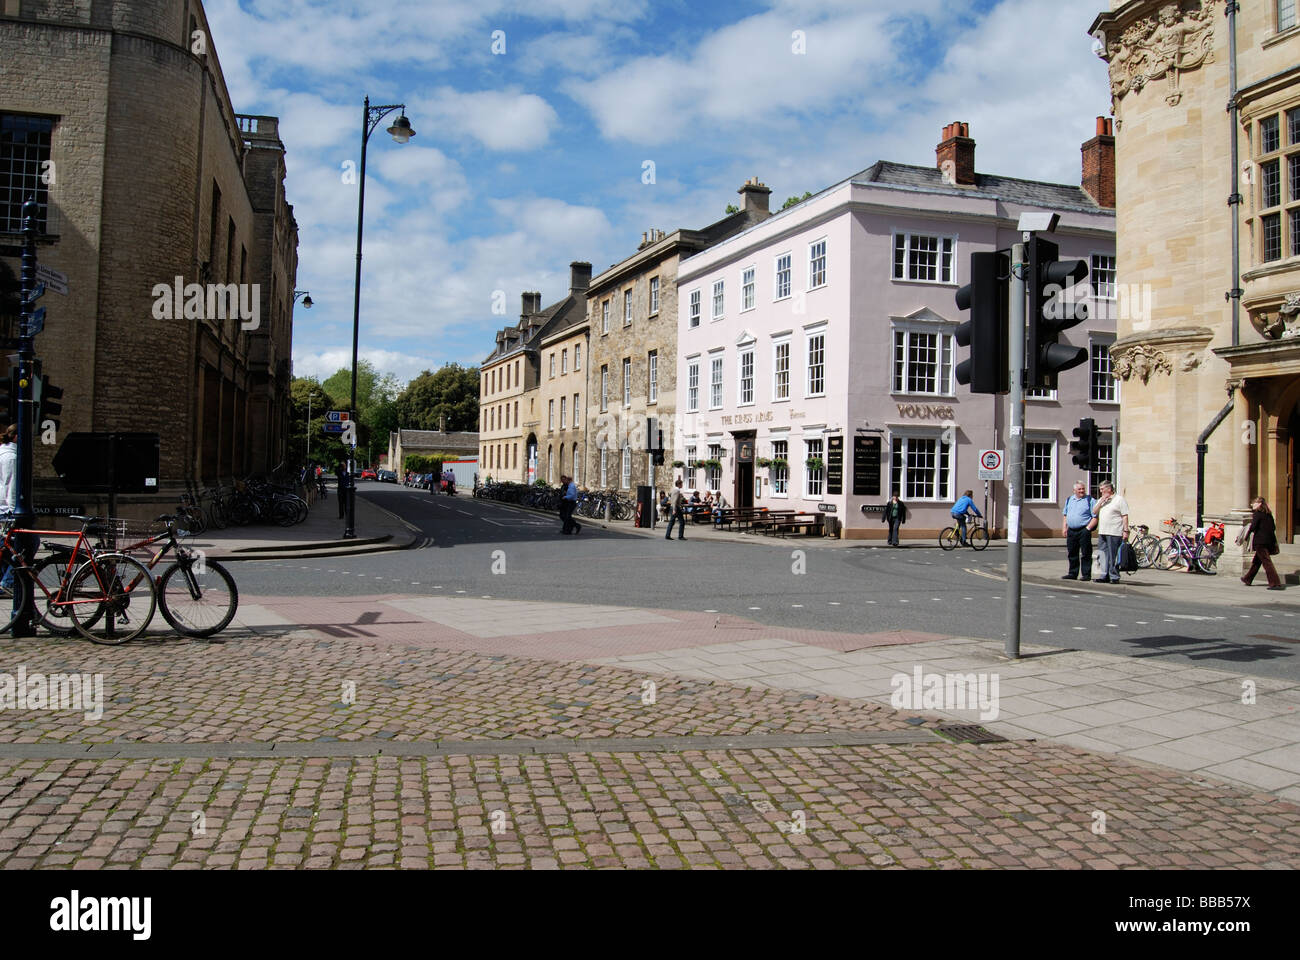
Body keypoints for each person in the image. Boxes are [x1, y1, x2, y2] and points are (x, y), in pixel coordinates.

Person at [1240, 496, 1283, 590]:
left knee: (1267, 563)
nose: (1251, 505)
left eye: (1253, 503)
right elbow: (1273, 528)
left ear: (1259, 503)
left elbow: (1253, 527)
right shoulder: (1268, 514)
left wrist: (1246, 534)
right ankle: (1248, 578)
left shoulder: (1257, 514)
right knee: (1257, 561)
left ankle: (1275, 583)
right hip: (1268, 541)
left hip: (1260, 542)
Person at [1090, 481, 1129, 584]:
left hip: (1114, 531)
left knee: (1113, 555)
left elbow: (1124, 516)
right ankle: (1104, 575)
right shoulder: (1102, 500)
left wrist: (1126, 530)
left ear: (1109, 489)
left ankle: (1114, 576)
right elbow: (1094, 512)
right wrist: (1101, 501)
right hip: (1102, 531)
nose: (1101, 491)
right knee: (1102, 554)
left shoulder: (1119, 500)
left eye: (1102, 489)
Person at [1060, 480, 1096, 580]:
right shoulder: (1069, 499)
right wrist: (1064, 528)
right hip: (1071, 530)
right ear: (1074, 490)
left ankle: (1086, 574)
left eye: (1083, 489)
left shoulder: (1090, 500)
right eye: (1079, 489)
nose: (1082, 491)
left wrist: (1088, 529)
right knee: (1072, 552)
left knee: (1086, 553)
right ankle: (1072, 573)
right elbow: (1065, 515)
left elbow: (1095, 516)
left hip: (1083, 530)